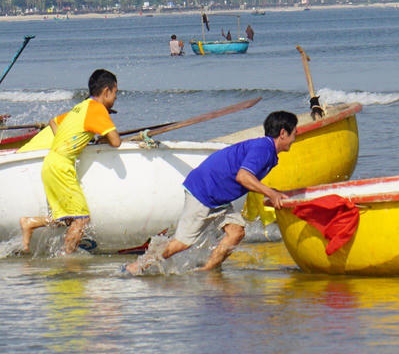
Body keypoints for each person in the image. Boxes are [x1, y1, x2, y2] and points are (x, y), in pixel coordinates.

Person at [126, 111, 296, 274]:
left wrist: (271, 192)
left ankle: (208, 270)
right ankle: (136, 267)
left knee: (236, 232)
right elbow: (243, 177)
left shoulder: (268, 152)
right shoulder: (264, 148)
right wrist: (271, 193)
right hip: (204, 191)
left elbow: (247, 178)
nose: (295, 138)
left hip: (218, 197)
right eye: (294, 133)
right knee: (181, 244)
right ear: (283, 133)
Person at [19, 69, 121, 255]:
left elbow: (53, 121)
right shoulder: (97, 109)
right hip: (61, 167)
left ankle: (31, 223)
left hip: (52, 163)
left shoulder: (80, 107)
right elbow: (116, 141)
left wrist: (69, 142)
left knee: (67, 217)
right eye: (115, 93)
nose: (115, 98)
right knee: (81, 219)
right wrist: (99, 139)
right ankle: (68, 259)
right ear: (107, 91)